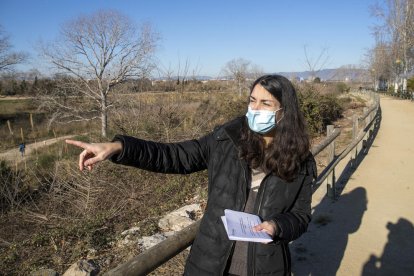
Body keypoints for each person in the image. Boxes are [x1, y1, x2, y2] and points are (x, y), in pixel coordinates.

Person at [66, 74, 317, 275]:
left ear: (284, 112)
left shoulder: (301, 161)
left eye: (266, 103)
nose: (255, 108)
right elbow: (174, 156)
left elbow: (301, 216)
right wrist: (120, 147)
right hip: (209, 263)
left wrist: (277, 225)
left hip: (264, 265)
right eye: (252, 100)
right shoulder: (225, 140)